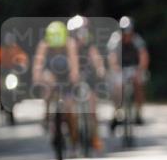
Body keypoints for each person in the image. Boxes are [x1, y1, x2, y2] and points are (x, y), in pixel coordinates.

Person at [32, 20, 80, 143]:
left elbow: (74, 64)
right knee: (48, 87)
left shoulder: (70, 44)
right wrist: (37, 77)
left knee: (70, 109)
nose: (57, 49)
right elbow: (38, 64)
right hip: (51, 76)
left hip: (66, 78)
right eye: (54, 47)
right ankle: (47, 116)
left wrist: (74, 76)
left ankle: (74, 140)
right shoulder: (44, 45)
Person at [67, 15, 106, 151]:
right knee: (70, 111)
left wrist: (100, 69)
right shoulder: (68, 45)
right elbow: (72, 63)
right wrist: (73, 75)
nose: (81, 35)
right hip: (72, 79)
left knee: (93, 109)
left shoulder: (89, 44)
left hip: (88, 78)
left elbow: (96, 57)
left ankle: (95, 137)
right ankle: (73, 140)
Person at [107, 16, 150, 129]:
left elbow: (143, 56)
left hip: (134, 68)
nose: (127, 36)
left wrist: (140, 70)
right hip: (119, 68)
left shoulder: (137, 39)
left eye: (129, 33)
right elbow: (112, 57)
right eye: (125, 33)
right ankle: (117, 113)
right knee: (117, 86)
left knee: (139, 84)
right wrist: (115, 67)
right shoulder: (115, 40)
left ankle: (138, 113)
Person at [0, 32, 29, 123]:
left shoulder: (16, 50)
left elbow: (23, 60)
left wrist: (22, 66)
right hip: (3, 74)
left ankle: (18, 97)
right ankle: (0, 101)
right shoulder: (0, 50)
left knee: (18, 82)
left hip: (12, 73)